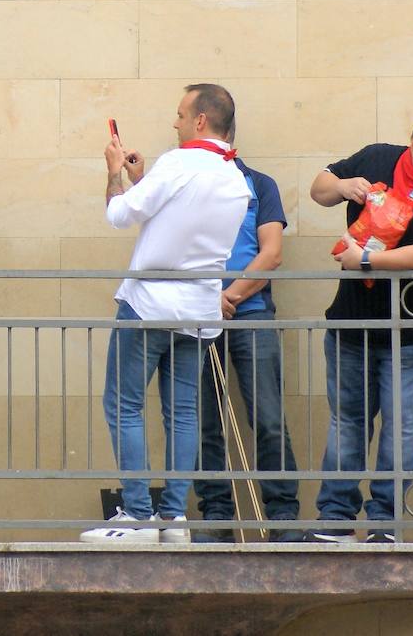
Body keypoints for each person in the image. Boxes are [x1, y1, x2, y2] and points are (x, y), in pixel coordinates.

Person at [82, 84, 249, 545]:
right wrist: (144, 180)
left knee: (124, 405)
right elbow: (180, 221)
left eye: (179, 115)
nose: (173, 124)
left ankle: (137, 515)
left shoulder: (178, 163)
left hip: (149, 304)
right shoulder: (235, 177)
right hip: (197, 310)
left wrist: (115, 173)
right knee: (182, 414)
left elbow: (120, 215)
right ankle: (173, 518)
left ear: (199, 121)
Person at [308, 114, 413, 544]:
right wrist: (345, 186)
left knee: (401, 429)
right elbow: (319, 189)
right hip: (353, 324)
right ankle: (336, 520)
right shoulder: (378, 159)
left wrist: (365, 260)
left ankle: (383, 524)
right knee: (347, 422)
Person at [192, 125, 302, 543]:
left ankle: (283, 516)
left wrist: (229, 297)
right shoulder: (189, 186)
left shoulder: (258, 183)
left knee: (269, 417)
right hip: (198, 317)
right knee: (204, 421)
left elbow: (271, 252)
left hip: (250, 312)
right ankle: (216, 514)